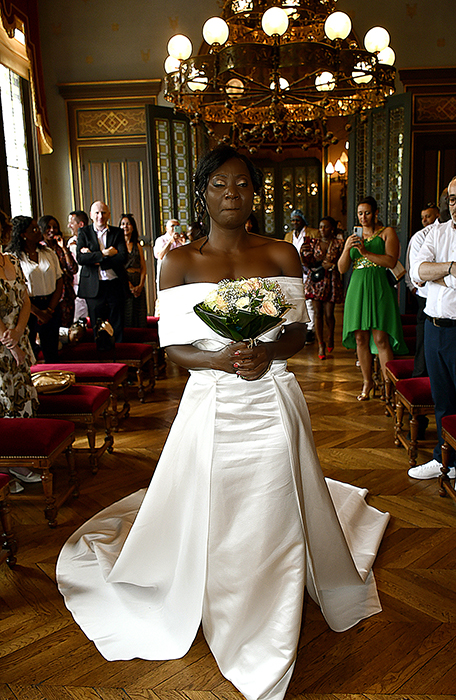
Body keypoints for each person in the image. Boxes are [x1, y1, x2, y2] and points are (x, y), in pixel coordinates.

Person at [57, 145, 389, 700]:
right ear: (203, 193)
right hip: (212, 399)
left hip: (272, 397)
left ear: (254, 193)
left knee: (276, 500)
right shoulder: (178, 262)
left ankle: (274, 606)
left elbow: (298, 331)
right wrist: (215, 360)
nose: (231, 193)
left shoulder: (281, 253)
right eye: (219, 184)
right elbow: (173, 348)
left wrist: (268, 352)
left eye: (241, 184)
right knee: (214, 498)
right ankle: (214, 587)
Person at [408, 176, 456, 480]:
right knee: (442, 400)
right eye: (452, 199)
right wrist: (450, 269)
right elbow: (417, 271)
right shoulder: (437, 232)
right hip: (434, 328)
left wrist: (435, 275)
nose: (455, 205)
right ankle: (444, 459)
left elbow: (428, 273)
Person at [338, 196, 408, 401]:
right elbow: (342, 268)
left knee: (380, 338)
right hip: (357, 288)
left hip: (379, 287)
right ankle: (367, 381)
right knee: (360, 338)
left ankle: (388, 385)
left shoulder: (387, 233)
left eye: (367, 213)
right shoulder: (354, 237)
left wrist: (365, 252)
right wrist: (347, 248)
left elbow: (391, 261)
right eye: (360, 213)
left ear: (376, 213)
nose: (363, 217)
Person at [0, 210, 40, 491]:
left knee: (22, 399)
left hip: (18, 338)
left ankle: (19, 461)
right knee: (3, 403)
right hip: (2, 346)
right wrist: (10, 342)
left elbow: (25, 301)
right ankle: (4, 467)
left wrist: (18, 333)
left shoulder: (12, 260)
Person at [8, 216, 63, 363]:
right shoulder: (14, 257)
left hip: (51, 305)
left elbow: (59, 280)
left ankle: (53, 376)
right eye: (34, 229)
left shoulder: (48, 253)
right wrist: (38, 313)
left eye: (38, 228)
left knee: (51, 350)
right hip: (28, 307)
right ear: (23, 234)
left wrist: (49, 310)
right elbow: (17, 290)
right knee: (30, 349)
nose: (39, 231)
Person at [76, 201, 128, 343]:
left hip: (114, 283)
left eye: (103, 213)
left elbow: (122, 257)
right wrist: (104, 254)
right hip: (93, 285)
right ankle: (101, 352)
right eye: (97, 213)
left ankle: (119, 351)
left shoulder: (117, 232)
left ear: (109, 215)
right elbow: (81, 258)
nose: (100, 216)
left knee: (117, 321)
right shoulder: (84, 232)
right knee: (97, 323)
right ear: (91, 215)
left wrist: (94, 258)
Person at [301, 216, 344, 359]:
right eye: (320, 227)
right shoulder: (314, 243)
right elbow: (308, 262)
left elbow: (344, 262)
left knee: (329, 314)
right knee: (318, 313)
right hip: (316, 280)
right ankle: (321, 344)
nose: (322, 229)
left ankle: (330, 336)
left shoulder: (338, 243)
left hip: (331, 280)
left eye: (326, 227)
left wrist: (333, 265)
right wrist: (302, 253)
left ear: (332, 229)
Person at [38, 215, 78, 328]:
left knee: (66, 327)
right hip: (50, 294)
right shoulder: (40, 249)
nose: (52, 230)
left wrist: (64, 248)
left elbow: (73, 268)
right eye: (48, 227)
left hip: (66, 295)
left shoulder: (60, 247)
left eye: (54, 227)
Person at [284, 209, 317, 344]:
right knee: (294, 298)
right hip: (293, 269)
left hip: (308, 270)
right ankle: (296, 326)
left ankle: (310, 328)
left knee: (309, 300)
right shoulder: (288, 236)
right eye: (293, 220)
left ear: (303, 220)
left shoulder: (312, 233)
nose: (295, 222)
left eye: (297, 220)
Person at [119, 213, 147, 328]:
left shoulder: (137, 245)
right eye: (123, 224)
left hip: (137, 280)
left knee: (139, 313)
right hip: (124, 281)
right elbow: (119, 268)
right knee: (128, 313)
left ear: (133, 227)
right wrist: (129, 285)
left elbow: (143, 267)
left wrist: (140, 285)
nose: (125, 226)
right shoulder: (118, 246)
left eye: (128, 224)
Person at [67, 209, 89, 322]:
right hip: (75, 286)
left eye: (71, 223)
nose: (69, 226)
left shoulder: (91, 240)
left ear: (81, 224)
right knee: (78, 318)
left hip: (89, 283)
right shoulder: (70, 242)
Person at [153, 218, 184, 286]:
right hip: (165, 275)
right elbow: (160, 256)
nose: (175, 228)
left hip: (179, 276)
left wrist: (183, 243)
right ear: (166, 228)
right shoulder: (161, 240)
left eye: (177, 226)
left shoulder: (181, 241)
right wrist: (170, 241)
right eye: (172, 226)